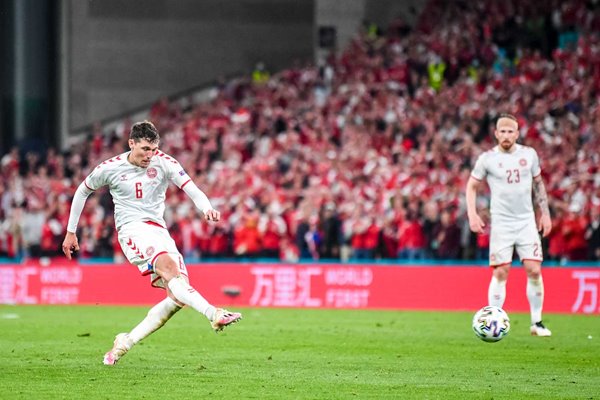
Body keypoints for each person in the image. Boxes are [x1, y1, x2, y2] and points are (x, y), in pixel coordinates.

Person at [62, 121, 242, 365]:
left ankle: (125, 342)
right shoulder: (110, 167)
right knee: (170, 270)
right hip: (131, 230)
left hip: (158, 231)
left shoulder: (164, 162)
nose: (150, 155)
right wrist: (71, 232)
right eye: (145, 149)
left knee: (178, 296)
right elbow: (83, 191)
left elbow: (192, 189)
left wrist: (207, 208)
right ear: (131, 143)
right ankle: (214, 313)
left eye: (154, 149)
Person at [466, 113, 553, 337]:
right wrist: (472, 215)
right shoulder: (487, 158)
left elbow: (538, 185)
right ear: (496, 134)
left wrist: (545, 213)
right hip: (502, 223)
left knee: (534, 269)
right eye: (502, 131)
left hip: (525, 221)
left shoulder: (529, 155)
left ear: (517, 133)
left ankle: (537, 323)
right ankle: (494, 320)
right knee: (501, 271)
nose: (506, 135)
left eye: (510, 131)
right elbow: (471, 187)